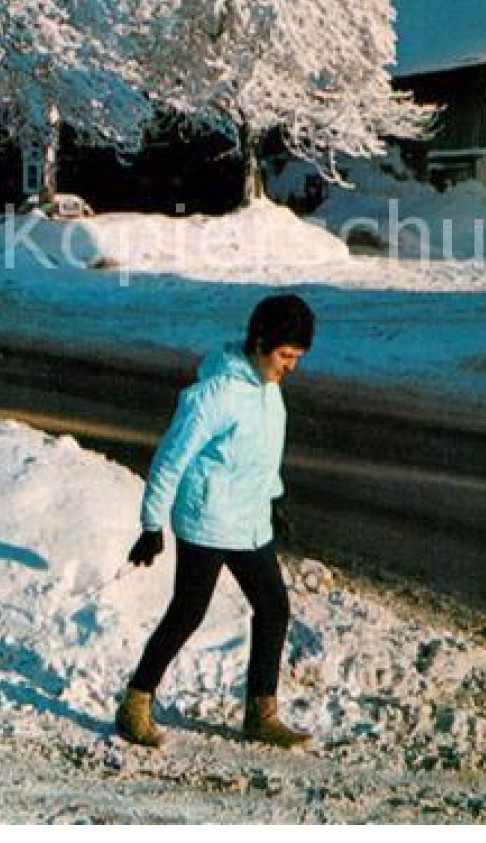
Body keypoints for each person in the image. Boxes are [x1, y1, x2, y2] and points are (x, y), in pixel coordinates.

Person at [116, 293, 315, 750]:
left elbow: (262, 455)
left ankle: (260, 715)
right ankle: (134, 704)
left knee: (274, 608)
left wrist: (273, 500)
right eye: (285, 355)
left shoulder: (268, 389)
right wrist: (152, 525)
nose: (290, 366)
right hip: (206, 522)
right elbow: (170, 458)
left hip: (248, 522)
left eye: (297, 358)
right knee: (188, 613)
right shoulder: (216, 394)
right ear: (260, 343)